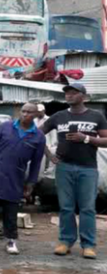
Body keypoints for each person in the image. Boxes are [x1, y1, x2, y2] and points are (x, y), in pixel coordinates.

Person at [40, 83, 107, 259]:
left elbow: (106, 140)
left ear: (83, 96)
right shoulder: (59, 116)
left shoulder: (96, 116)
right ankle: (65, 242)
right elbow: (37, 134)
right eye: (67, 93)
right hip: (64, 167)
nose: (69, 95)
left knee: (87, 208)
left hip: (88, 168)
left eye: (73, 93)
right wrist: (49, 155)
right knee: (66, 207)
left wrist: (86, 138)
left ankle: (88, 245)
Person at [0, 103, 45, 254]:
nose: (25, 114)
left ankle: (11, 240)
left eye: (29, 112)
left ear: (35, 115)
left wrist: (31, 183)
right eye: (23, 111)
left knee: (11, 208)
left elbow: (36, 162)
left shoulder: (38, 137)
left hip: (16, 176)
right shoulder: (5, 127)